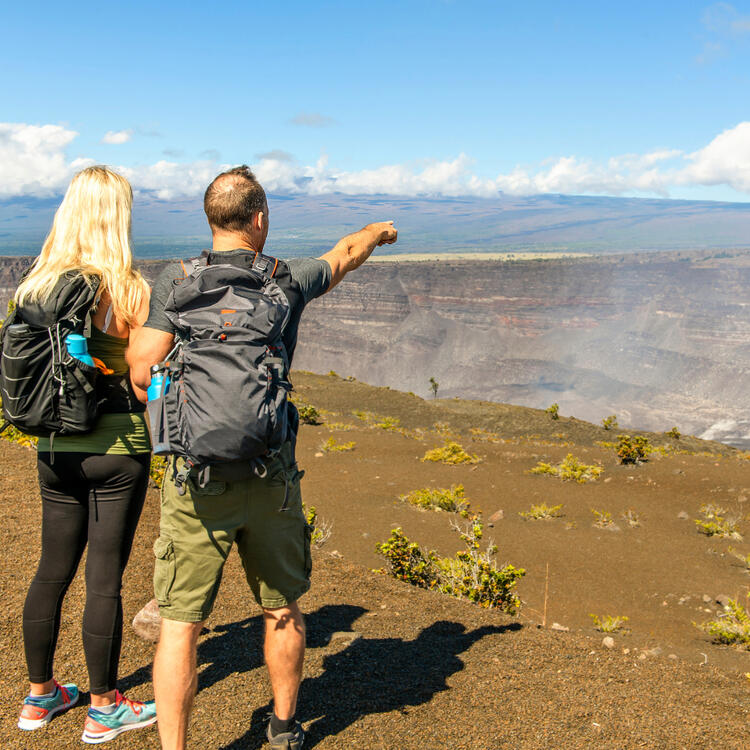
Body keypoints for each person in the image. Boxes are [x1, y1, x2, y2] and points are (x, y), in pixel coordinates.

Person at [127, 165, 397, 750]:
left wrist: (186, 413)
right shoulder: (288, 280)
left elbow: (143, 369)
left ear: (211, 219)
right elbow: (345, 254)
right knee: (281, 608)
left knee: (180, 624)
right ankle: (281, 727)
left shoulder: (175, 282)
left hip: (195, 482)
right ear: (259, 219)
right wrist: (377, 230)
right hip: (269, 472)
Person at [15, 166, 158, 743]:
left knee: (51, 570)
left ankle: (39, 699)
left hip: (52, 446)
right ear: (116, 217)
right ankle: (104, 707)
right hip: (116, 449)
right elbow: (145, 380)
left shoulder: (36, 285)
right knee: (104, 580)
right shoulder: (129, 289)